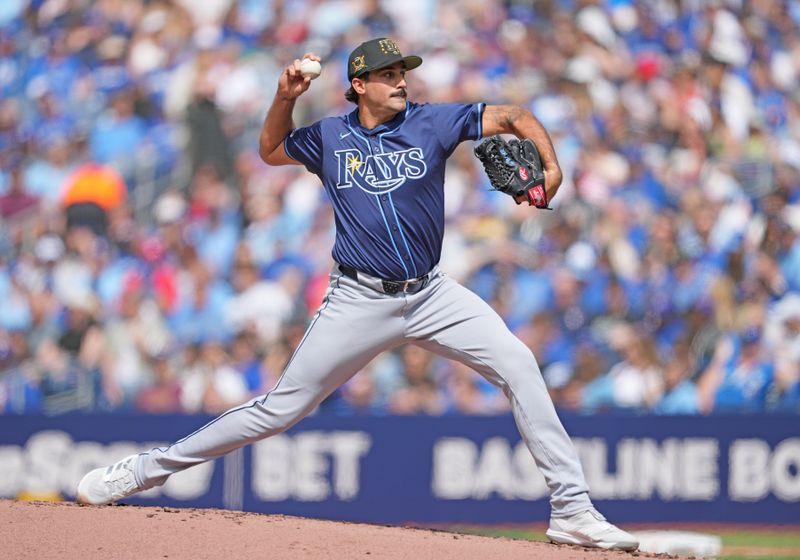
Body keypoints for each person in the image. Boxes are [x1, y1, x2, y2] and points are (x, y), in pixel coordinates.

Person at [76, 38, 638, 551]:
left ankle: (573, 510)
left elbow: (514, 115)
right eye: (389, 74)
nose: (401, 82)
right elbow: (271, 150)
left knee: (519, 363)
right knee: (278, 409)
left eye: (404, 73)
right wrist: (283, 98)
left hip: (432, 294)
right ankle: (145, 470)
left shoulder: (432, 123)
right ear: (360, 86)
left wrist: (553, 164)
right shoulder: (329, 136)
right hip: (359, 299)